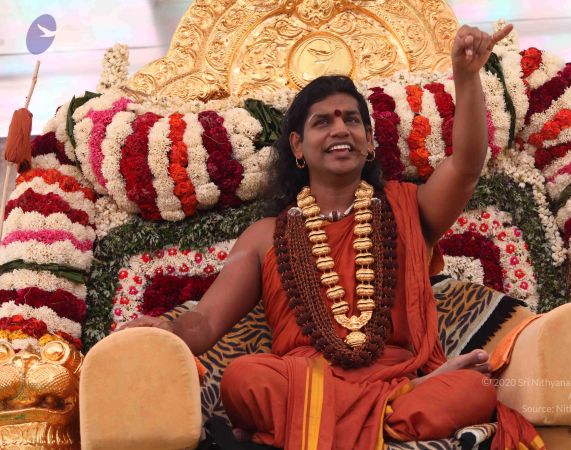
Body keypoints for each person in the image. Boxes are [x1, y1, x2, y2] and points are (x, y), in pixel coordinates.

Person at [121, 24, 542, 450]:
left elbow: (466, 165)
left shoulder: (408, 209)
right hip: (305, 383)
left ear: (369, 141)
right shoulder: (265, 237)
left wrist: (466, 76)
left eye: (352, 120)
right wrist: (166, 329)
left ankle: (343, 418)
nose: (340, 129)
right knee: (244, 378)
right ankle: (386, 414)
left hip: (393, 379)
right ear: (298, 146)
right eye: (323, 121)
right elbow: (207, 321)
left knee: (474, 389)